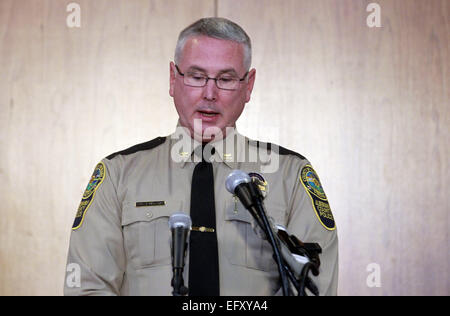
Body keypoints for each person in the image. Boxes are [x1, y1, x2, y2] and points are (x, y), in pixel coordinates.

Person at [64, 17, 338, 296]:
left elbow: (313, 287)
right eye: (196, 76)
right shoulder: (118, 174)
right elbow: (87, 287)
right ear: (173, 79)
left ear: (249, 85)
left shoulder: (290, 176)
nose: (210, 93)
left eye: (226, 79)